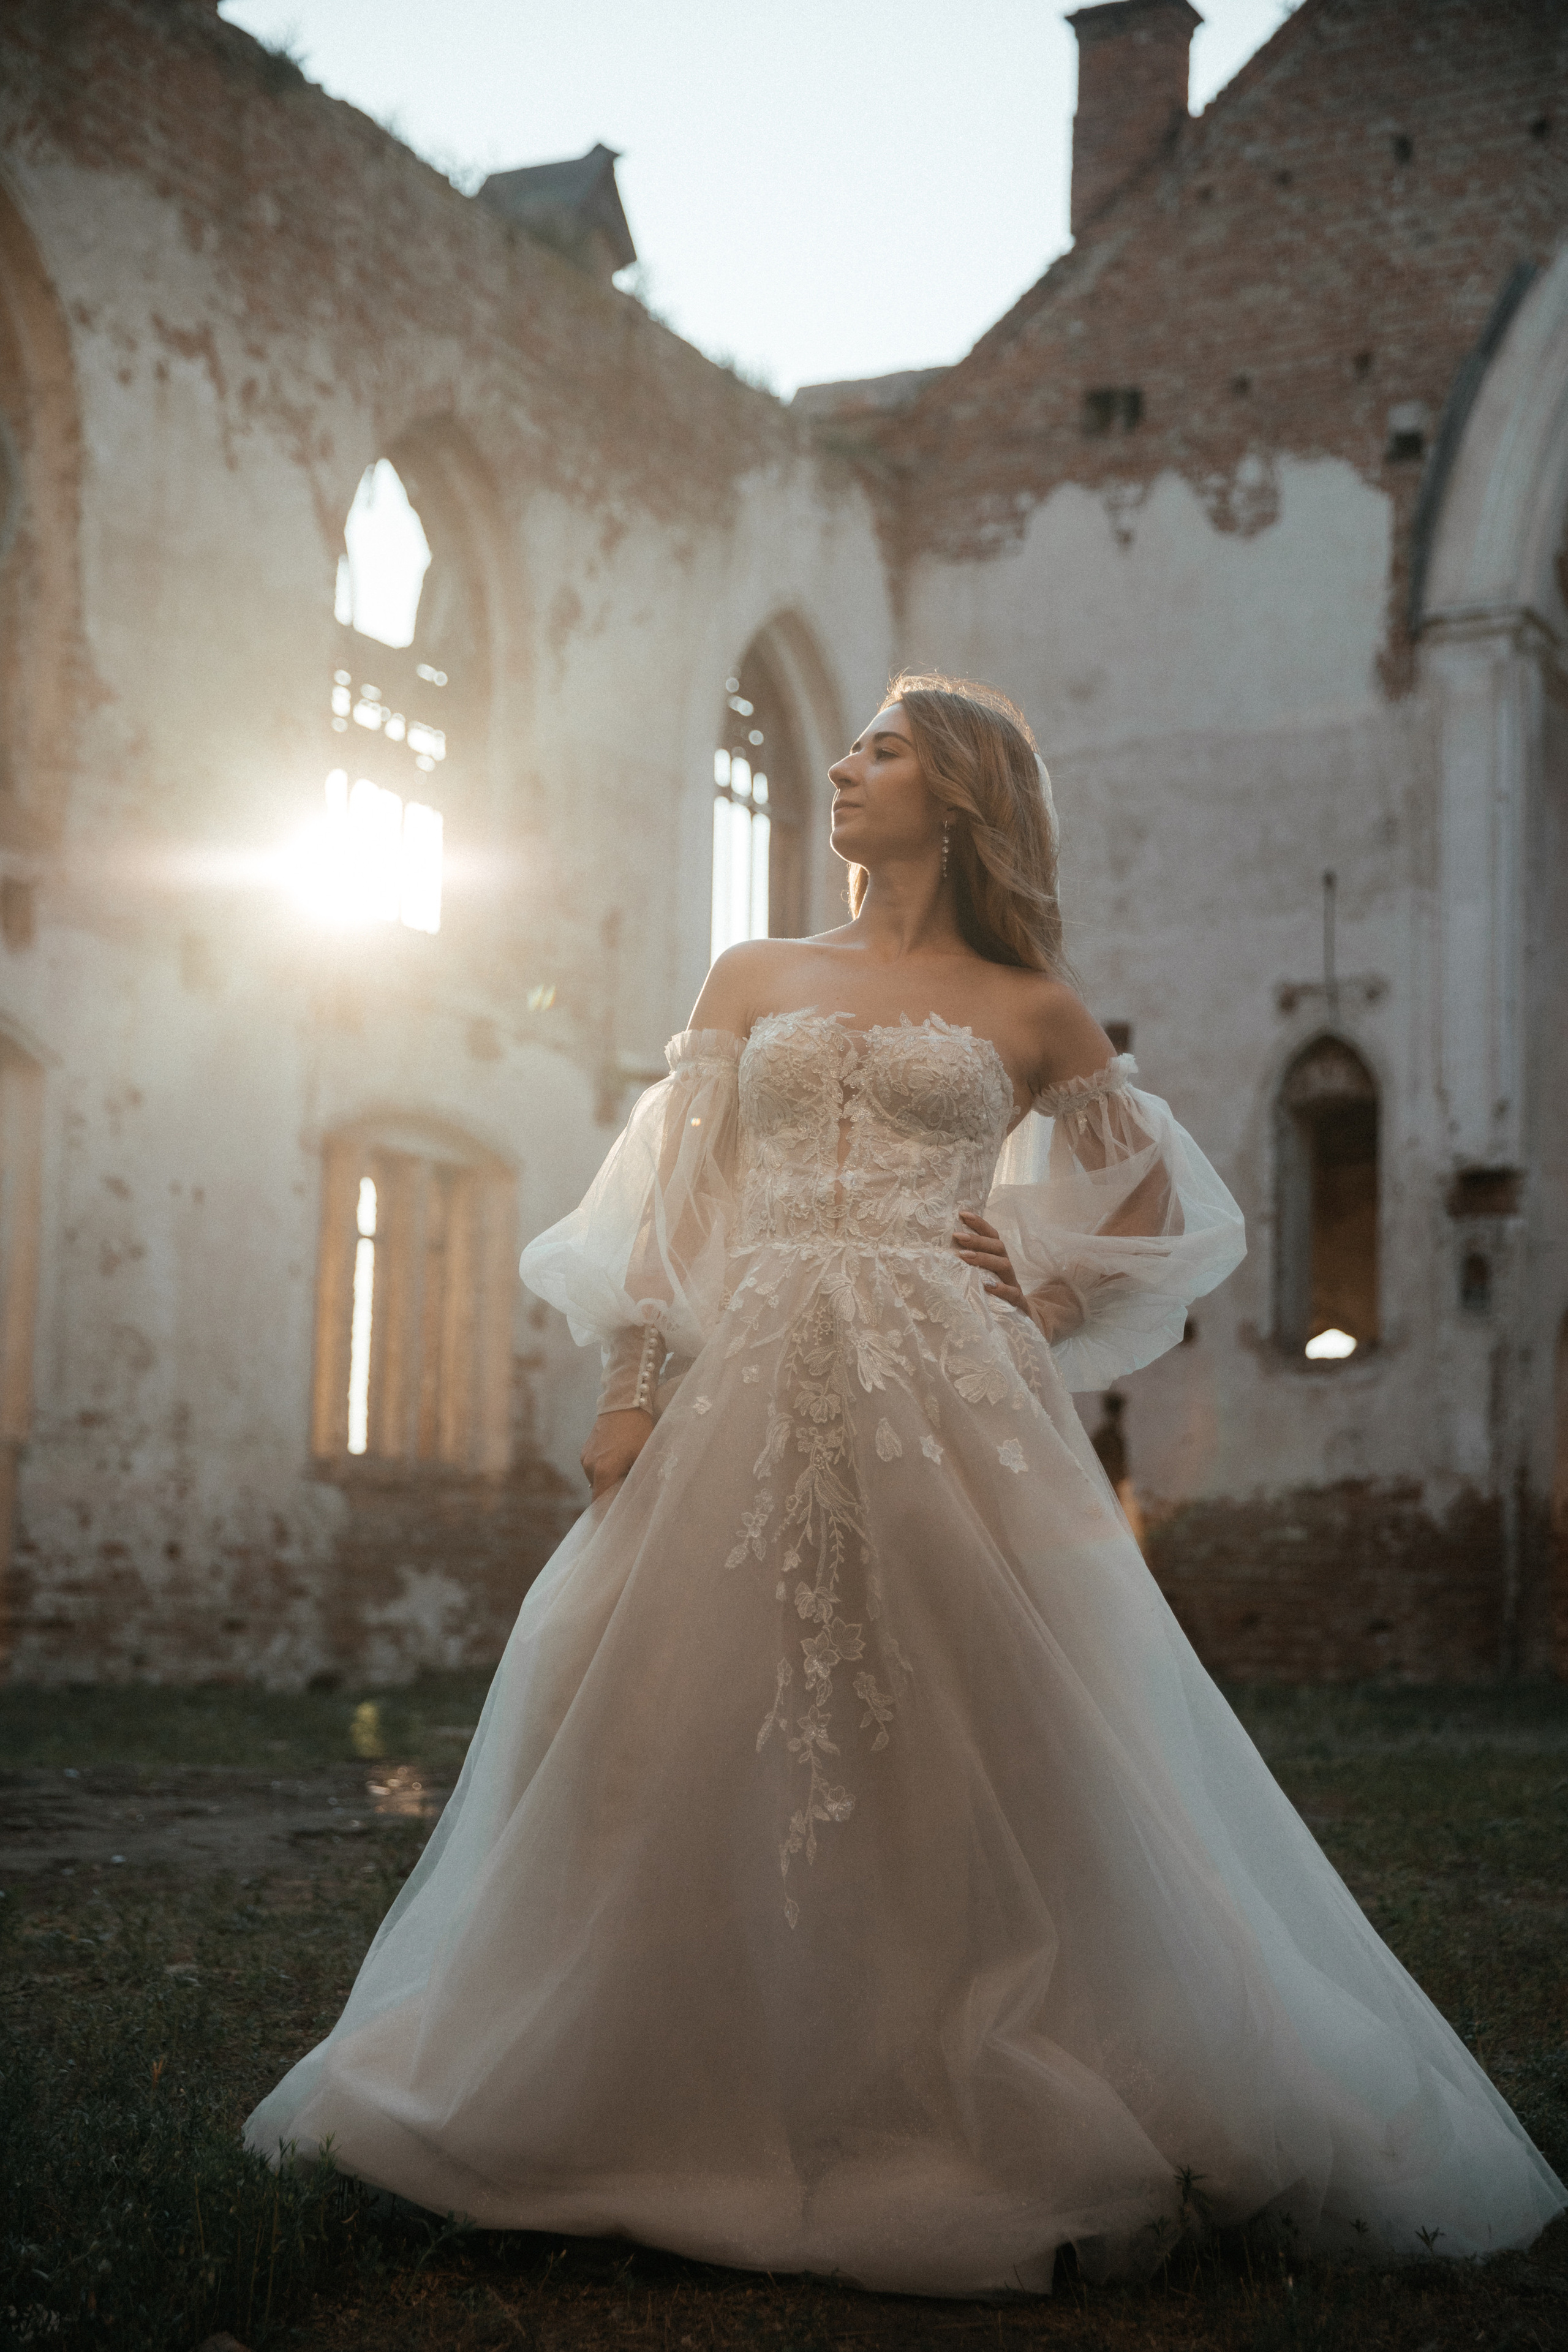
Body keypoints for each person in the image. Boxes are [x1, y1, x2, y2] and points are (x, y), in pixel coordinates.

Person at [245, 675, 1563, 2295]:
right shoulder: (755, 974)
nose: (846, 770)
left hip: (954, 1393)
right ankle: (643, 2070)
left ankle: (975, 2054)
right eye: (849, 746)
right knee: (675, 1699)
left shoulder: (1030, 1006)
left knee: (1000, 1714)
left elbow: (1164, 1202)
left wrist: (1050, 1287)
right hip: (755, 1373)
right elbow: (680, 1198)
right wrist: (633, 1389)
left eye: (879, 751)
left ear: (958, 798)